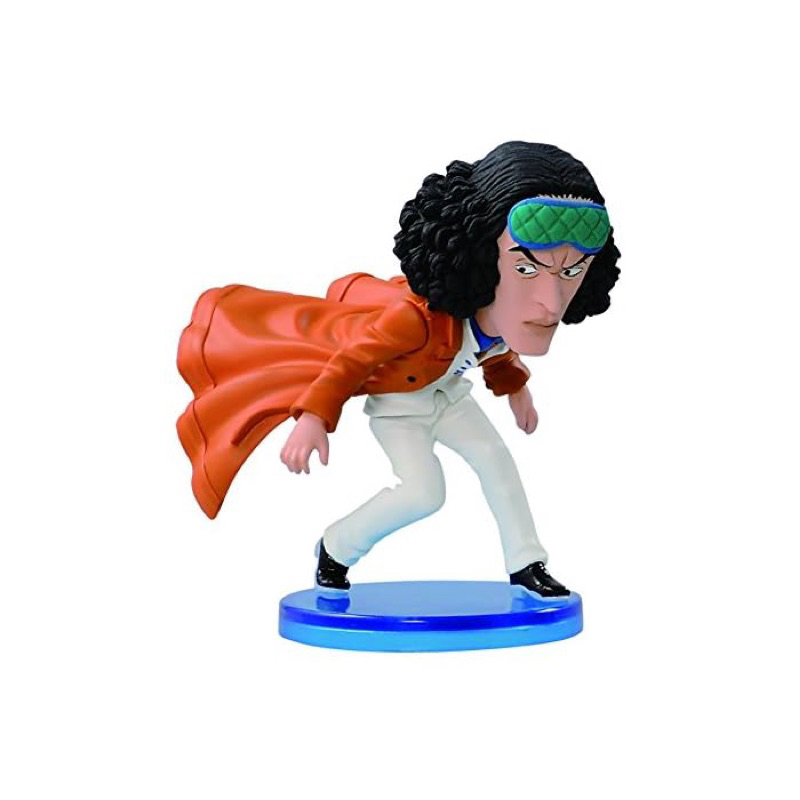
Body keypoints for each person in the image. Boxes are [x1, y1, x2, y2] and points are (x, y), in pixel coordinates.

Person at [177, 141, 620, 600]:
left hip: (449, 395)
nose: (551, 302)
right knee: (424, 493)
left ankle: (527, 564)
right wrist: (312, 417)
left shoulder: (499, 313)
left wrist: (515, 389)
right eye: (526, 269)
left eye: (573, 271)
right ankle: (335, 547)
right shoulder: (413, 320)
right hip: (401, 407)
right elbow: (352, 360)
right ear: (480, 259)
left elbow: (496, 348)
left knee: (497, 462)